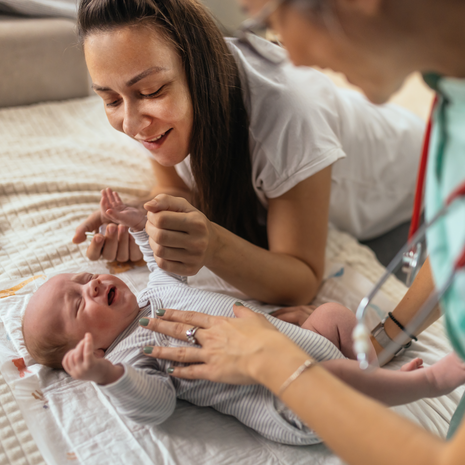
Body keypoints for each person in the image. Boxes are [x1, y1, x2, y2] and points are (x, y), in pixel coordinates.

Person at [134, 0, 465, 463]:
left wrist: (275, 362)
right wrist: (386, 336)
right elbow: (457, 244)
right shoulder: (452, 93)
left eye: (269, 20)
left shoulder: (295, 106)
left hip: (393, 198)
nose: (295, 59)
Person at [22, 188, 465, 445]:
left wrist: (139, 222)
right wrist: (109, 376)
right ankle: (421, 383)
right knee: (333, 378)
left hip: (299, 342)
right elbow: (155, 405)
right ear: (93, 347)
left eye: (82, 279)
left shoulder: (156, 292)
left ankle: (371, 364)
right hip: (287, 400)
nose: (92, 285)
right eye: (79, 304)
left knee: (332, 314)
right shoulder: (137, 353)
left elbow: (160, 261)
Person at [72, 0, 425, 307]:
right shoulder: (148, 95)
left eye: (151, 91)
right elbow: (180, 190)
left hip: (414, 187)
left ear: (198, 66)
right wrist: (141, 221)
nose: (132, 123)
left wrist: (212, 245)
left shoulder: (290, 115)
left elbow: (301, 279)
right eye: (111, 100)